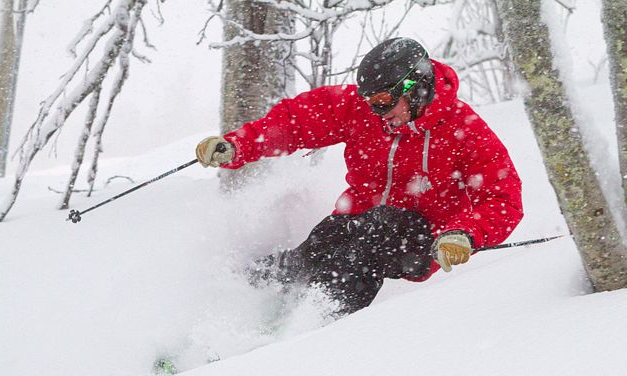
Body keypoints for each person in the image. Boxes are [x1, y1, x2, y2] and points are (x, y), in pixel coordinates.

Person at [196, 38, 523, 316]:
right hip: (360, 219)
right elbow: (298, 120)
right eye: (370, 102)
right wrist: (238, 144)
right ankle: (234, 304)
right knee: (322, 243)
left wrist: (465, 235)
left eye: (382, 102)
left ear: (416, 87)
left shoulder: (464, 130)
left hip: (428, 236)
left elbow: (503, 197)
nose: (377, 112)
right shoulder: (365, 112)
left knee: (367, 243)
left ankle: (315, 322)